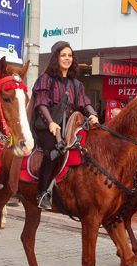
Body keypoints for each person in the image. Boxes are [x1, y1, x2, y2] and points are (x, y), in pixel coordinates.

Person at [33, 41, 99, 210]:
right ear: (56, 57)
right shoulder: (45, 79)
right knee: (53, 152)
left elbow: (84, 103)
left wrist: (92, 114)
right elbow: (41, 104)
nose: (67, 58)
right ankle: (43, 194)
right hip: (46, 126)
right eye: (63, 55)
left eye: (70, 55)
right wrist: (51, 123)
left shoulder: (76, 84)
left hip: (69, 127)